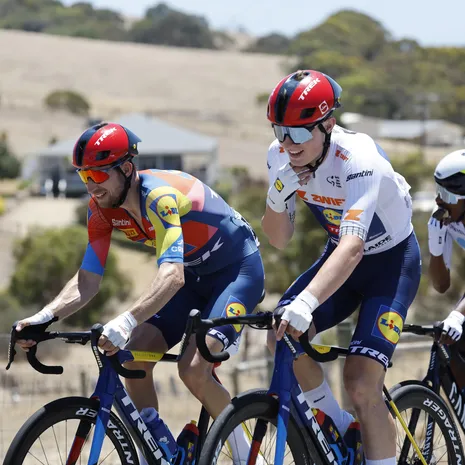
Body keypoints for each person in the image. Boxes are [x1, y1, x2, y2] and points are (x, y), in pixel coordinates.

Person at [14, 122, 265, 462]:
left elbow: (172, 275)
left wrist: (126, 320)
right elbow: (88, 279)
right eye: (84, 176)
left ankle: (249, 458)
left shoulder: (159, 197)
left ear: (127, 169)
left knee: (192, 369)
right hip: (194, 275)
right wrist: (44, 317)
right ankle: (159, 452)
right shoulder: (100, 209)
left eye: (98, 175)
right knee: (132, 359)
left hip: (236, 271)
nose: (91, 186)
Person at [262, 69, 421, 465]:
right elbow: (279, 240)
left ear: (328, 124)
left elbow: (353, 246)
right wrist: (277, 196)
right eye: (280, 131)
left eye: (299, 132)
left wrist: (306, 303)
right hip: (341, 262)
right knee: (280, 337)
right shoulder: (279, 155)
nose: (288, 143)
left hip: (391, 265)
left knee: (361, 383)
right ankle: (337, 424)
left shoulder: (358, 158)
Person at [428, 149, 465, 342]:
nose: (438, 200)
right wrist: (436, 248)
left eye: (446, 195)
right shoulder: (444, 217)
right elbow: (441, 286)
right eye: (438, 190)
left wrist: (457, 316)